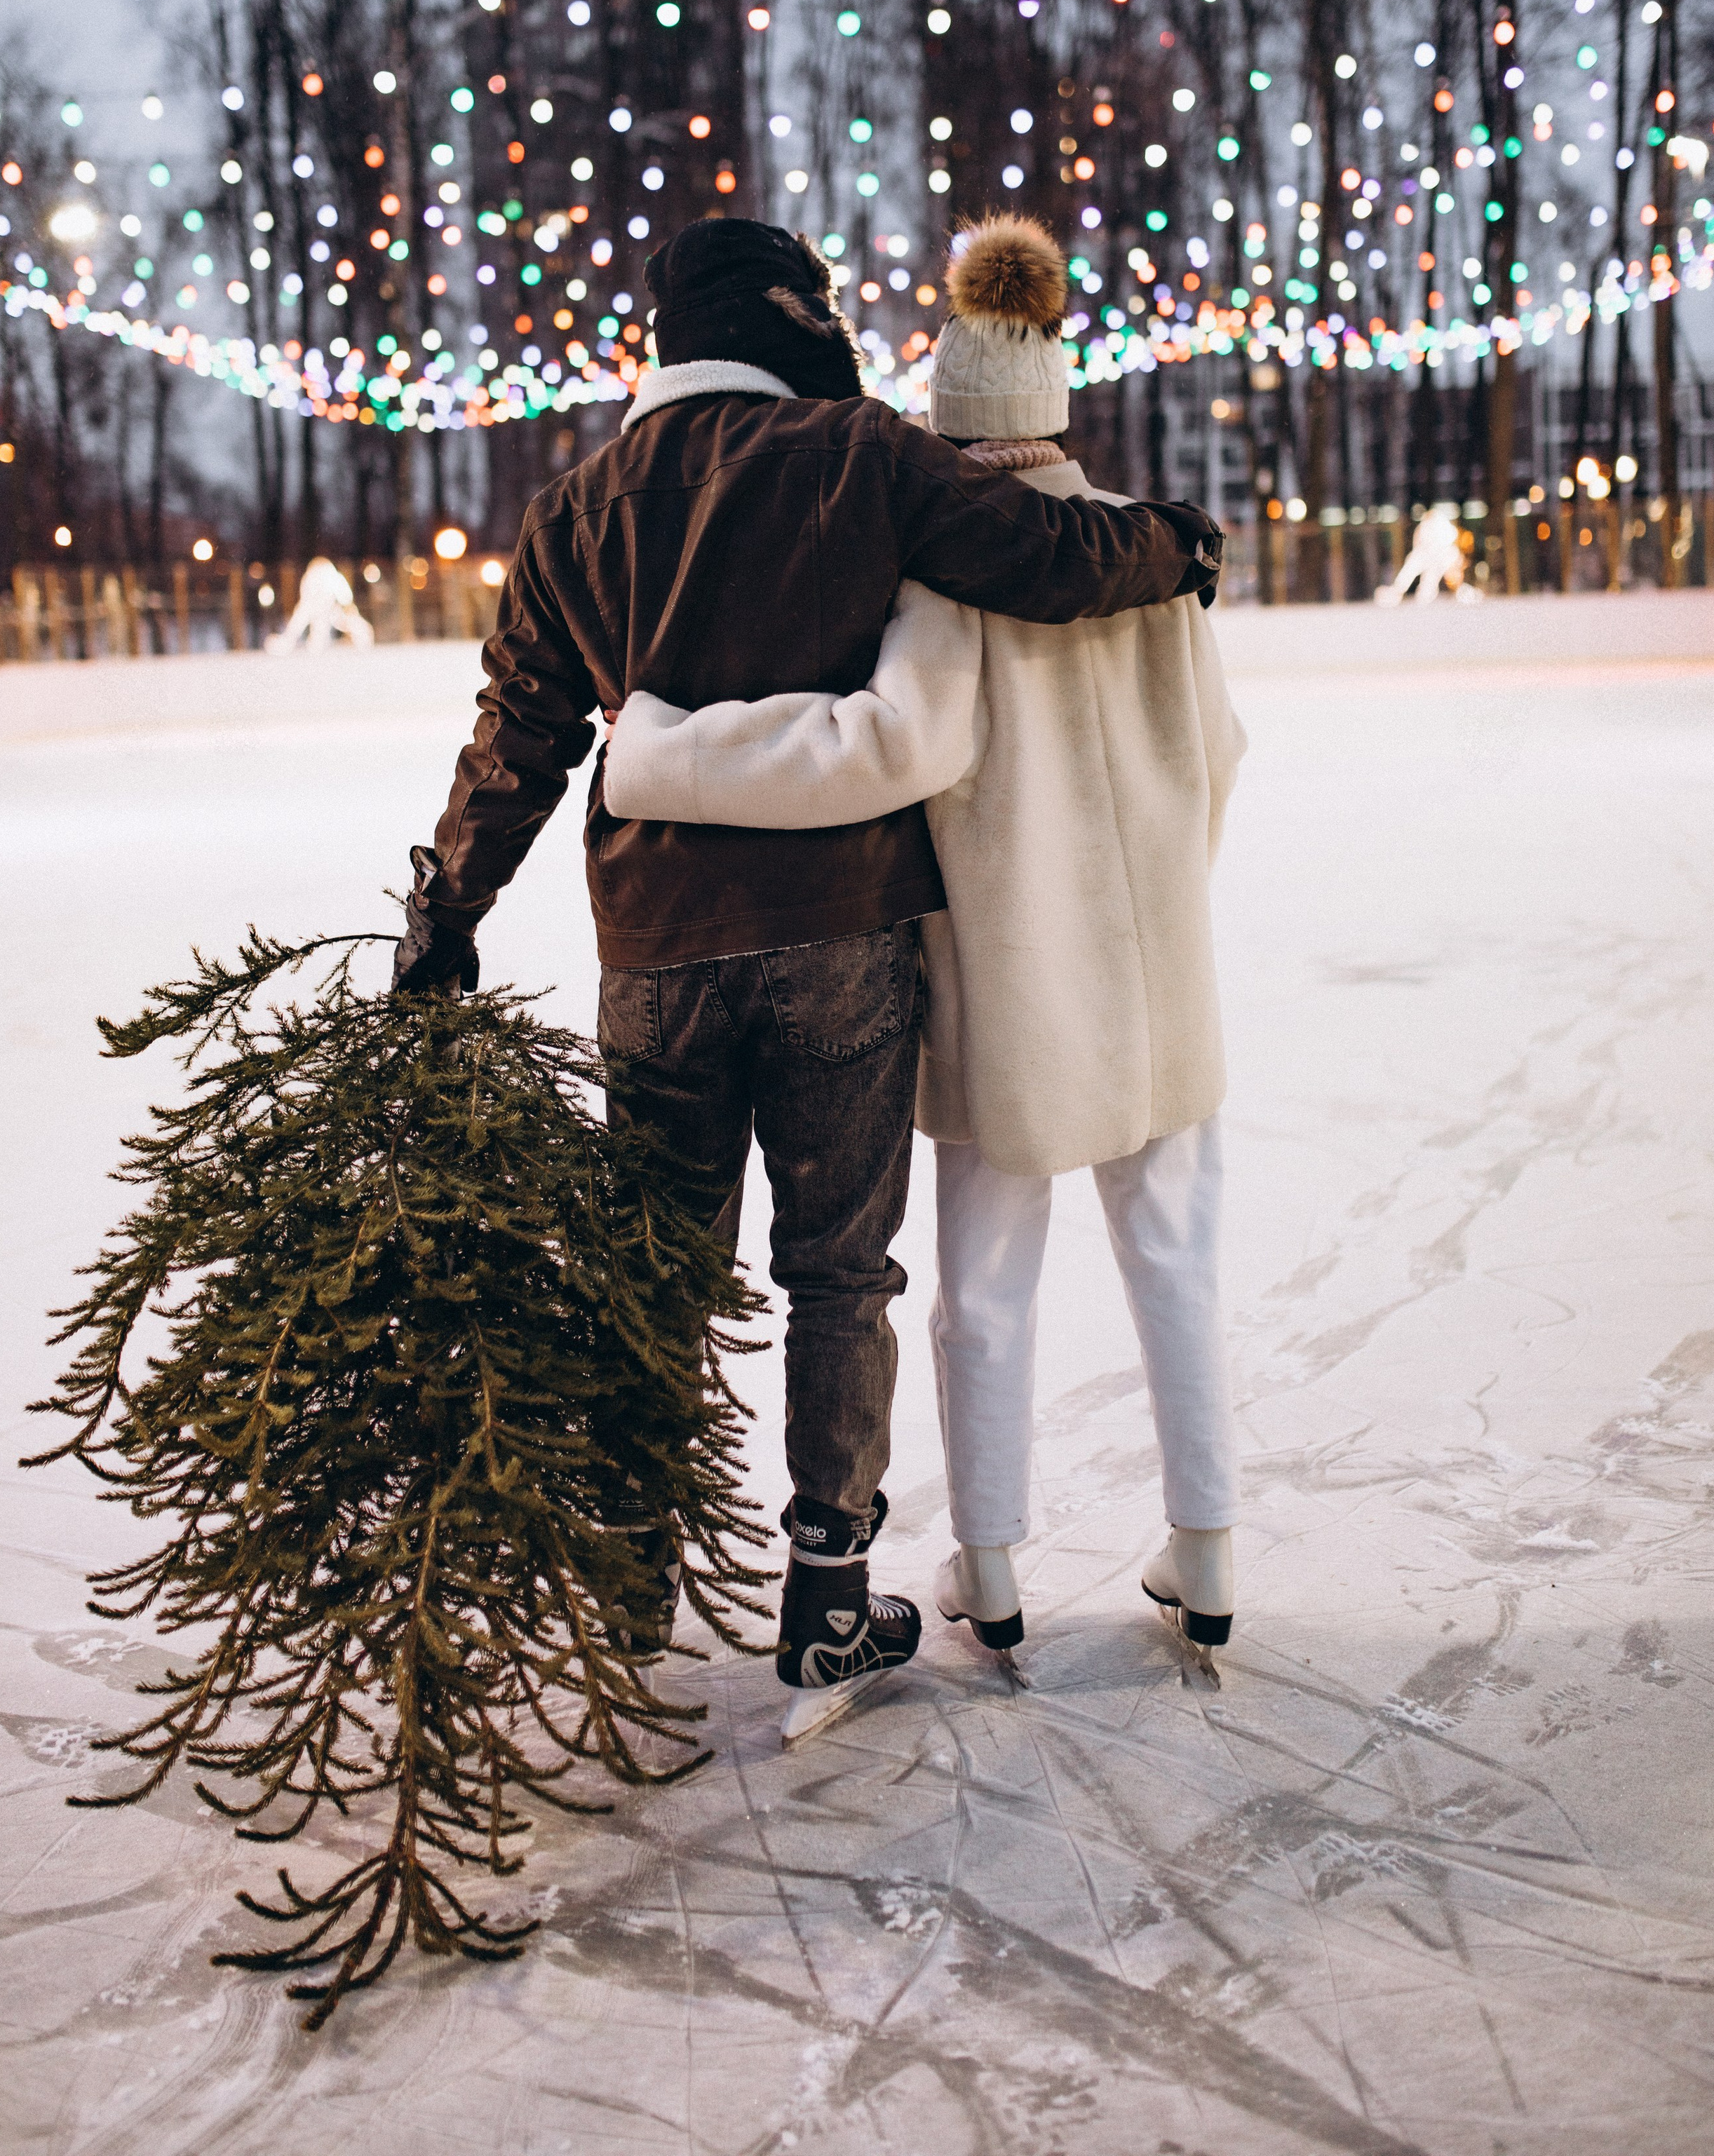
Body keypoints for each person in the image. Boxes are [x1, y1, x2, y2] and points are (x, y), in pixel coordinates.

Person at [392, 217, 1222, 1740]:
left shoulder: (576, 505)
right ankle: (829, 1596)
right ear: (794, 319)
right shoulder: (862, 455)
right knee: (838, 1271)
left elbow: (518, 728)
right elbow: (1042, 557)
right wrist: (1174, 542)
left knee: (660, 1265)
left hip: (655, 947)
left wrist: (447, 908)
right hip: (843, 931)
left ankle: (630, 1579)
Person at [605, 215, 1245, 1672]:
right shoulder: (1147, 559)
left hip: (1004, 990)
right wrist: (1156, 888)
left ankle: (993, 1568)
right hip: (1159, 983)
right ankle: (1203, 1547)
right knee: (1175, 1258)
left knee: (982, 1291)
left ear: (953, 413)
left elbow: (899, 747)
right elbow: (1217, 753)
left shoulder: (945, 572)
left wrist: (649, 756)